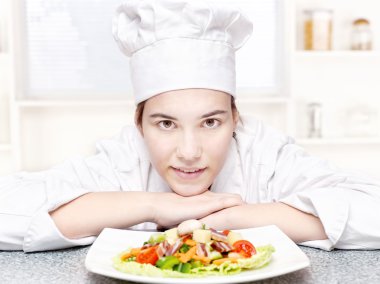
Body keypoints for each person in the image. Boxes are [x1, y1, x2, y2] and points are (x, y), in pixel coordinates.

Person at [1, 0, 380, 253]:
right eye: (165, 123)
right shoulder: (120, 160)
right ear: (139, 124)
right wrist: (154, 206)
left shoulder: (266, 154)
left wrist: (231, 217)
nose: (189, 150)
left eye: (210, 122)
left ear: (235, 119)